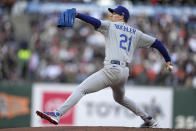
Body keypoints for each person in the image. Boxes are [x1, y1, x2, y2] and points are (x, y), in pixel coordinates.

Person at [36, 5, 173, 128]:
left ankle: (57, 113)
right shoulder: (136, 33)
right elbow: (157, 43)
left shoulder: (111, 26)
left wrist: (78, 14)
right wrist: (167, 60)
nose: (112, 15)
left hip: (112, 70)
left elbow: (94, 21)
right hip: (124, 72)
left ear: (122, 16)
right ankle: (150, 120)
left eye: (114, 13)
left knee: (82, 89)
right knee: (120, 98)